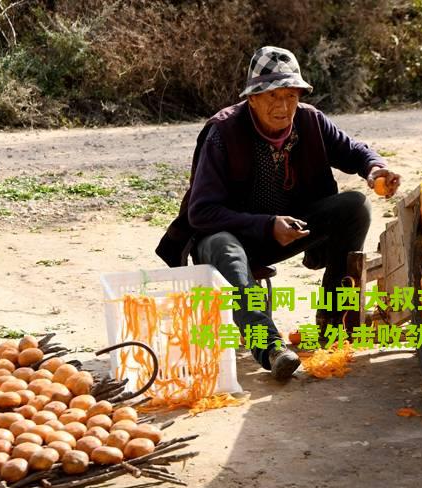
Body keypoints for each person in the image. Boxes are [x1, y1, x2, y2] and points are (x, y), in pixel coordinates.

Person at [156, 45, 401, 381]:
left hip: (286, 229)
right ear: (252, 99)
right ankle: (270, 347)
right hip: (225, 235)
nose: (283, 106)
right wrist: (265, 225)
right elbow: (201, 211)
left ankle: (332, 320)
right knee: (225, 245)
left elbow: (354, 151)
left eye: (290, 96)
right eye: (272, 96)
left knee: (355, 207)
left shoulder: (310, 121)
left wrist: (375, 169)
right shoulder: (223, 133)